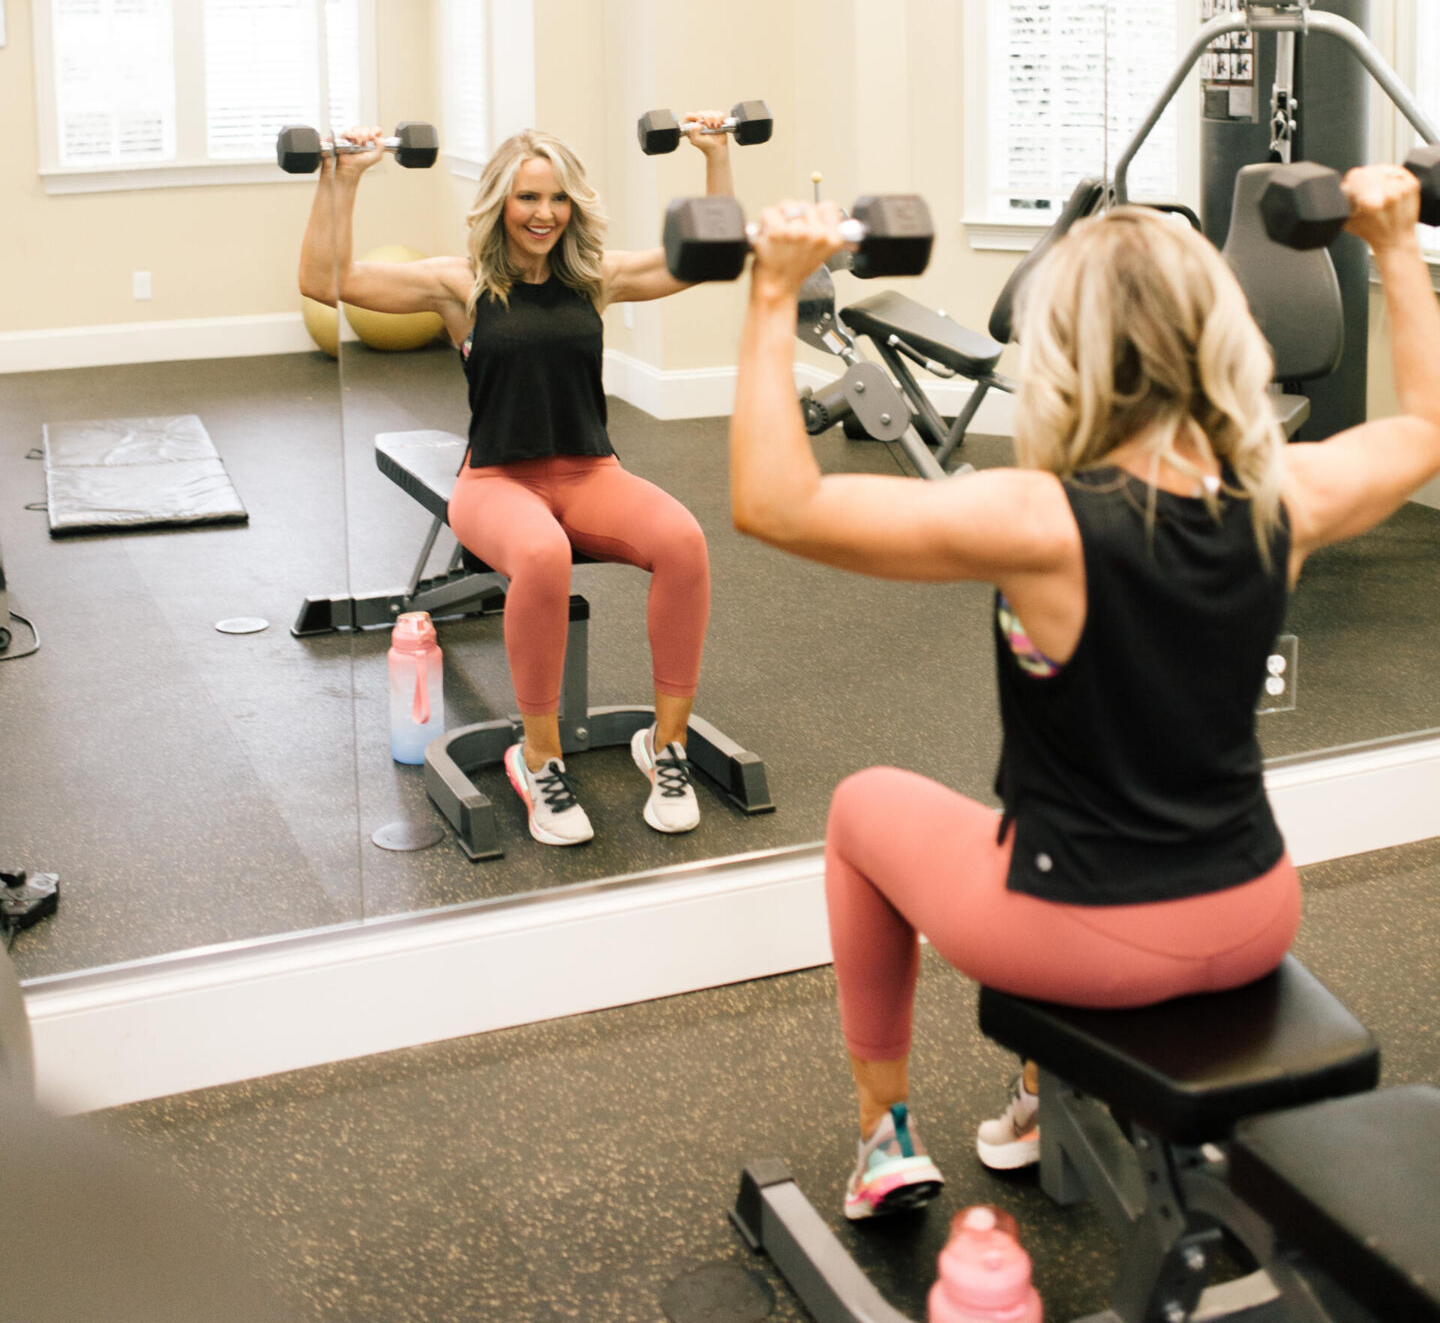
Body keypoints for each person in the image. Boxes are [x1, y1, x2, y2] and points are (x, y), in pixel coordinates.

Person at [729, 168, 1440, 1223]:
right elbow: (1425, 428)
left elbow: (773, 503)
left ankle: (884, 1136)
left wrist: (773, 295)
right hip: (1254, 910)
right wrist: (1389, 244)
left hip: (1083, 933)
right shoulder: (1287, 496)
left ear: (1066, 353)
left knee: (863, 807)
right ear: (1224, 337)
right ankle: (1034, 1091)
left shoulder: (1039, 519)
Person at [300, 115, 739, 846]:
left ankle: (667, 746)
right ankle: (539, 759)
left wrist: (716, 159)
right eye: (529, 197)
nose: (544, 214)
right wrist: (341, 179)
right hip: (496, 481)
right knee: (542, 556)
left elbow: (715, 257)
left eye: (558, 199)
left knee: (685, 541)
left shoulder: (594, 277)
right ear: (501, 201)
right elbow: (325, 280)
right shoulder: (459, 284)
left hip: (590, 471)